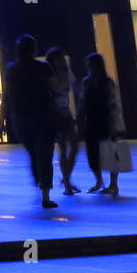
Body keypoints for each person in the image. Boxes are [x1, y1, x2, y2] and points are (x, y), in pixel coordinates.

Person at [0, 34, 60, 209]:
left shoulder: (12, 70)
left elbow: (7, 97)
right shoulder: (44, 67)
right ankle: (45, 192)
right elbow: (55, 89)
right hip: (43, 116)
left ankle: (40, 180)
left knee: (34, 153)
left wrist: (2, 122)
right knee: (44, 154)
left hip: (21, 118)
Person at [78, 52, 125, 195]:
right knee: (92, 154)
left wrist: (113, 122)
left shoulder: (107, 82)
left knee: (111, 153)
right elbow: (82, 102)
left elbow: (113, 103)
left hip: (105, 120)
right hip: (91, 121)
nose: (88, 68)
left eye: (90, 65)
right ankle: (99, 181)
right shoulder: (86, 82)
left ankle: (113, 184)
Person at [44, 47, 80, 195]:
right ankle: (66, 183)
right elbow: (59, 90)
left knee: (74, 147)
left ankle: (66, 178)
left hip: (66, 111)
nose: (62, 60)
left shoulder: (65, 72)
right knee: (64, 148)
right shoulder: (49, 74)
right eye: (59, 58)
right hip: (56, 114)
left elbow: (72, 86)